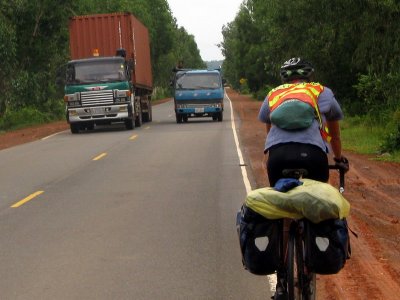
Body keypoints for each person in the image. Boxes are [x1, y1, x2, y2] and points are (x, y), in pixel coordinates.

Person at [258, 57, 349, 187]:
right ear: (310, 75)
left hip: (278, 156)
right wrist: (339, 159)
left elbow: (269, 129)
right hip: (313, 153)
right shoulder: (322, 91)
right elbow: (335, 137)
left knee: (278, 200)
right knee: (321, 199)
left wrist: (269, 155)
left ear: (284, 78)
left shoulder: (273, 94)